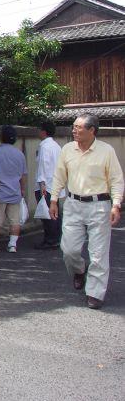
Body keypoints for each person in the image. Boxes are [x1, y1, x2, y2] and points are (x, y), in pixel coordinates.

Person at [50, 114, 122, 309]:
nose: (74, 130)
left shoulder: (106, 151)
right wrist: (54, 199)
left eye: (79, 127)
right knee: (69, 250)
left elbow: (116, 180)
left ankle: (95, 293)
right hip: (73, 204)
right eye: (73, 126)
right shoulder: (67, 149)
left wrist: (116, 204)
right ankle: (79, 270)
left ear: (92, 130)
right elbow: (59, 176)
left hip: (99, 205)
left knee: (98, 253)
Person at [0, 125, 27, 253]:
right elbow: (23, 175)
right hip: (15, 192)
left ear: (1, 137)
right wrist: (22, 189)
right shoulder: (20, 154)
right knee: (15, 221)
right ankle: (12, 245)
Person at [34, 120, 63, 249]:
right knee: (55, 213)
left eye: (39, 129)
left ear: (44, 132)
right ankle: (56, 238)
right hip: (55, 184)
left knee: (47, 214)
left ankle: (50, 240)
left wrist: (42, 184)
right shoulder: (56, 146)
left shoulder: (44, 147)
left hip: (46, 185)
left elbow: (43, 166)